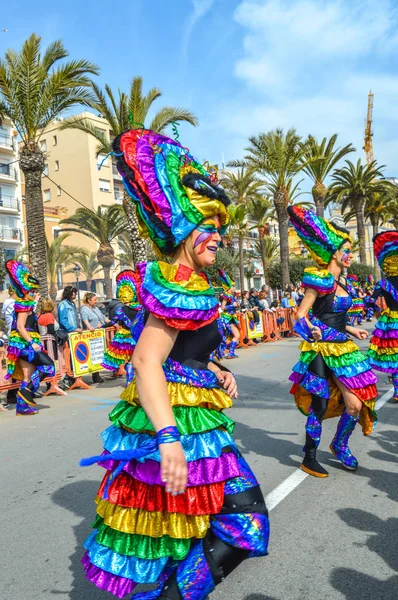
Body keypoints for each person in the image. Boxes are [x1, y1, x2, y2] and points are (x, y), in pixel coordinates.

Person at [81, 128, 269, 599]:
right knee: (237, 523)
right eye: (209, 227)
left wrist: (216, 369)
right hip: (177, 427)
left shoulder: (191, 281)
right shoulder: (176, 282)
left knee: (186, 535)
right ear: (184, 229)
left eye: (220, 228)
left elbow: (185, 353)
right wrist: (168, 441)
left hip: (195, 424)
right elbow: (146, 362)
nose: (218, 237)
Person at [287, 206, 378, 478]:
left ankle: (339, 443)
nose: (350, 255)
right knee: (320, 404)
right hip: (318, 349)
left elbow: (334, 315)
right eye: (346, 250)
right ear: (335, 253)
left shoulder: (344, 284)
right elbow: (301, 315)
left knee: (355, 404)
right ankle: (309, 457)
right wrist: (311, 330)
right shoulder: (320, 279)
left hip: (342, 348)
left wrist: (351, 329)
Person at [4, 260, 56, 416]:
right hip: (23, 344)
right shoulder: (23, 306)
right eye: (32, 291)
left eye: (34, 291)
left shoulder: (26, 304)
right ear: (24, 291)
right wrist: (32, 343)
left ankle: (23, 406)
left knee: (28, 374)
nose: (34, 293)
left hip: (23, 344)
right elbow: (20, 326)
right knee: (49, 366)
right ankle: (25, 398)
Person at [367, 231, 398, 402]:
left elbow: (370, 301)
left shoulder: (383, 283)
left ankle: (397, 391)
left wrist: (376, 312)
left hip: (391, 322)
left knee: (394, 356)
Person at [102, 270, 141, 386]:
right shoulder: (141, 309)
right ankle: (137, 381)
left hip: (126, 337)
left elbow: (112, 322)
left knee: (129, 360)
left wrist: (102, 326)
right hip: (139, 336)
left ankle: (130, 381)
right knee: (139, 360)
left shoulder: (121, 310)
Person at [81, 292, 110, 384]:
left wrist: (112, 322)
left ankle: (97, 374)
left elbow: (103, 318)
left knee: (99, 354)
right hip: (92, 336)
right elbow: (85, 319)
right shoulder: (84, 309)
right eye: (95, 300)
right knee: (93, 355)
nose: (96, 301)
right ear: (89, 300)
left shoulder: (96, 308)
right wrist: (90, 327)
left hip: (100, 334)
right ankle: (95, 375)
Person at [58, 285, 81, 388]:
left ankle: (72, 378)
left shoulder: (72, 304)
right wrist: (73, 329)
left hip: (74, 333)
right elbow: (63, 320)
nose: (75, 294)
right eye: (74, 292)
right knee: (68, 357)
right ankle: (67, 378)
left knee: (74, 357)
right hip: (68, 334)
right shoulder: (63, 305)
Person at [218, 269, 240, 358]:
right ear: (229, 287)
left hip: (231, 318)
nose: (234, 288)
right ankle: (220, 353)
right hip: (227, 319)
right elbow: (223, 307)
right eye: (233, 286)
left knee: (236, 335)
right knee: (225, 337)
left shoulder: (232, 296)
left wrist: (236, 305)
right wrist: (232, 306)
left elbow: (232, 306)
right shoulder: (226, 295)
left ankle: (230, 353)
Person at [2, 285, 17, 405]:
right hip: (14, 337)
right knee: (14, 365)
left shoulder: (10, 304)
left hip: (16, 336)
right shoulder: (11, 304)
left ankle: (20, 391)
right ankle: (12, 394)